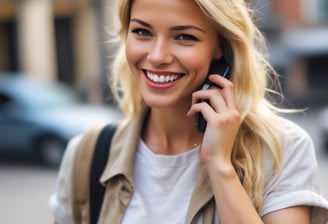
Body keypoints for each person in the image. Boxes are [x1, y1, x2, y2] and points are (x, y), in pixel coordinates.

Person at [49, 0, 328, 223]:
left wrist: (220, 167)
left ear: (221, 48)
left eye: (184, 36)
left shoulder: (282, 151)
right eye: (142, 32)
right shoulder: (87, 153)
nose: (157, 56)